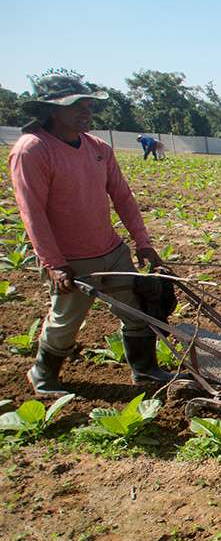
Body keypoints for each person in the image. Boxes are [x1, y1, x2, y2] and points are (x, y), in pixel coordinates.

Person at [9, 73, 175, 396]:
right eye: (76, 105)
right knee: (65, 322)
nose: (87, 111)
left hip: (111, 251)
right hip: (70, 258)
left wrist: (143, 243)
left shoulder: (98, 148)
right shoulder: (32, 151)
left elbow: (122, 197)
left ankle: (144, 370)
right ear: (50, 110)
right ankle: (43, 375)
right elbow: (33, 214)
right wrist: (54, 262)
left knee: (139, 309)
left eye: (88, 104)